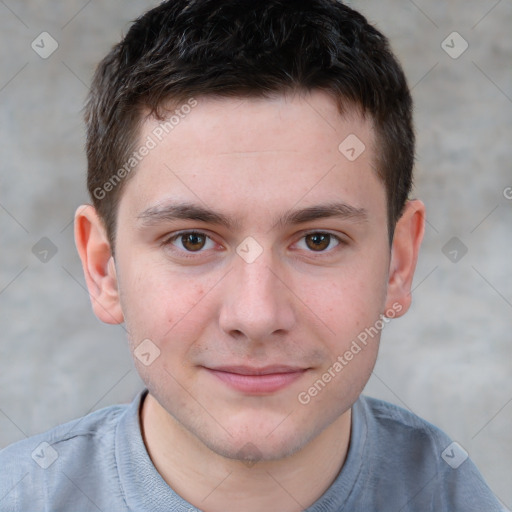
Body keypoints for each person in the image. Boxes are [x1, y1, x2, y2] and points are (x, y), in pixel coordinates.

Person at [0, 1, 506, 511]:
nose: (257, 315)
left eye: (318, 240)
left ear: (398, 264)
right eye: (192, 240)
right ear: (103, 268)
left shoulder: (452, 494)